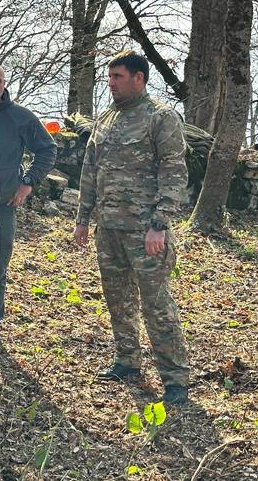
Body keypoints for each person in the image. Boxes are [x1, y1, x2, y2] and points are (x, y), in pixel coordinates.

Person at [73, 50, 190, 405]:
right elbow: (90, 170)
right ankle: (127, 361)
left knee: (157, 305)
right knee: (118, 300)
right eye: (109, 77)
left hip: (145, 232)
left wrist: (159, 224)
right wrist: (82, 219)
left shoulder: (161, 117)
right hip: (109, 228)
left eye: (118, 77)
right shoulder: (106, 118)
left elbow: (174, 172)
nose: (111, 83)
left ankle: (175, 379)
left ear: (139, 78)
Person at [0, 62, 57, 347]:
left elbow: (47, 148)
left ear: (4, 83)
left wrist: (28, 181)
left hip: (1, 208)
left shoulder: (19, 117)